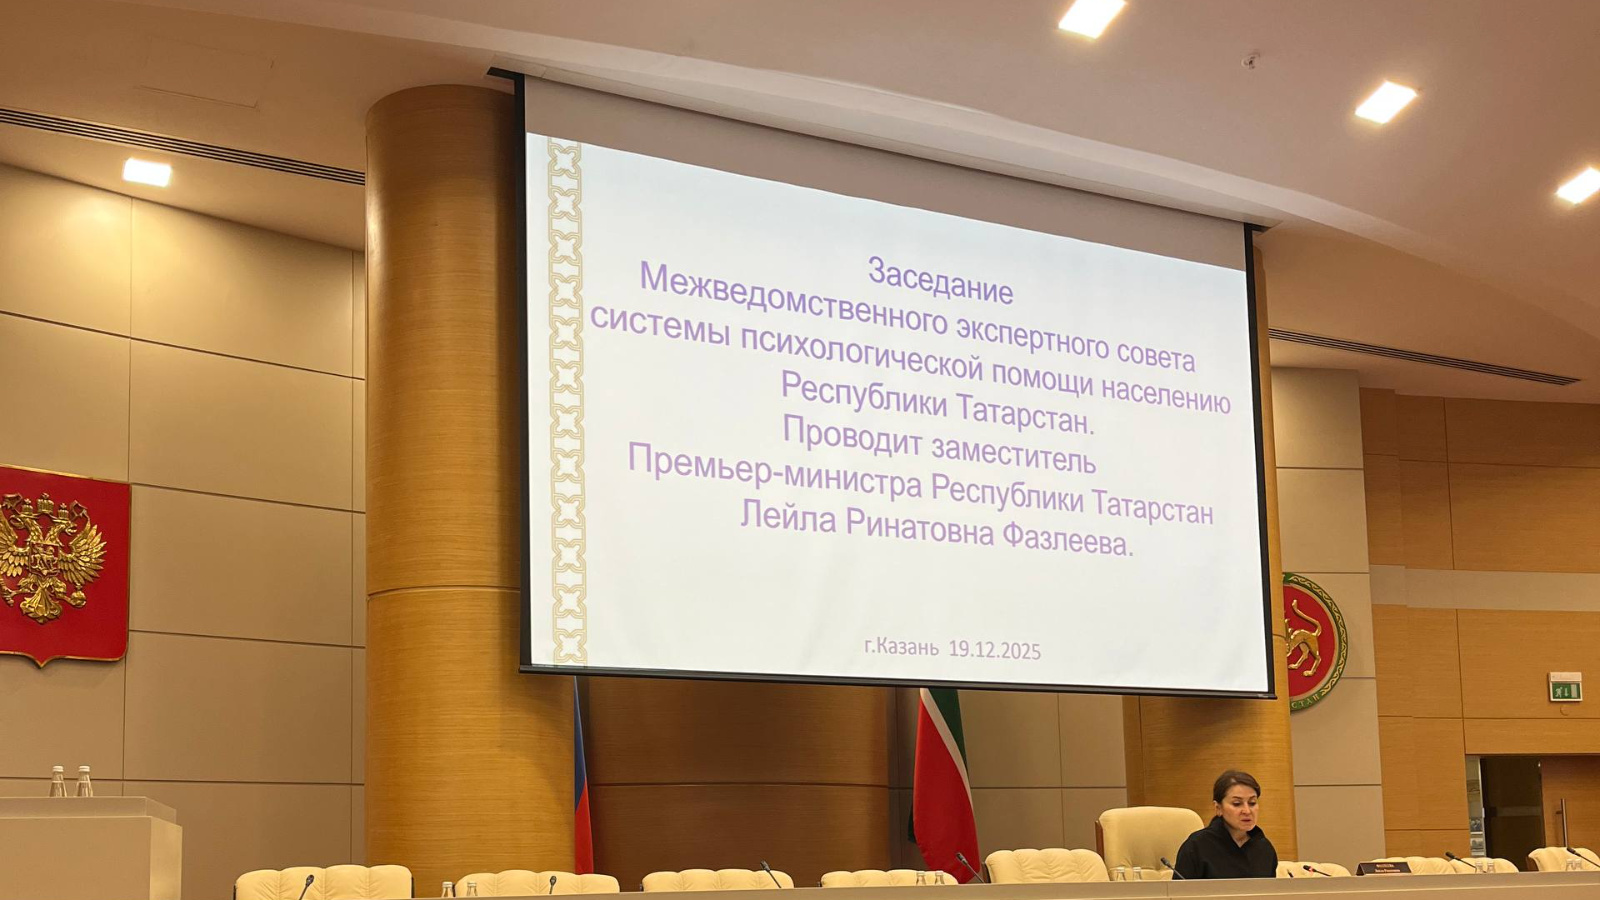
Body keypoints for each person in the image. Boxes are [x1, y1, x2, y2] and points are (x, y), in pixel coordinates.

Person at [1172, 770, 1279, 879]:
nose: (1247, 811)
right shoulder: (1197, 846)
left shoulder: (1265, 848)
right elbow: (1179, 889)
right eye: (1237, 804)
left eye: (1252, 803)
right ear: (1218, 808)